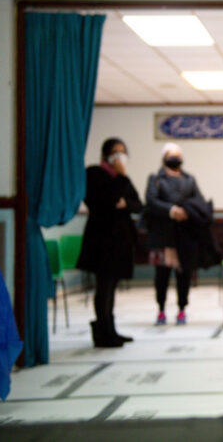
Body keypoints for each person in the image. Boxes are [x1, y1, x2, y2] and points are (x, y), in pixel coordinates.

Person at [77, 137, 142, 348]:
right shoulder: (94, 173)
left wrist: (124, 202)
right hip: (101, 240)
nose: (120, 156)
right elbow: (104, 202)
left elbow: (137, 204)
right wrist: (120, 183)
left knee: (112, 286)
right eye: (116, 152)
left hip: (121, 241)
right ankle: (102, 332)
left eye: (123, 152)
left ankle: (111, 330)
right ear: (106, 155)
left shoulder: (122, 177)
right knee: (103, 286)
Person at [145, 143, 217, 326]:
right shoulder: (155, 179)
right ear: (164, 157)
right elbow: (151, 201)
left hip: (185, 236)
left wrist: (186, 211)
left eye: (178, 154)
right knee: (161, 275)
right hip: (162, 236)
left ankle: (182, 309)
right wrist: (171, 210)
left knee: (184, 274)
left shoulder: (189, 179)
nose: (175, 157)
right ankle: (161, 310)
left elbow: (198, 200)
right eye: (171, 154)